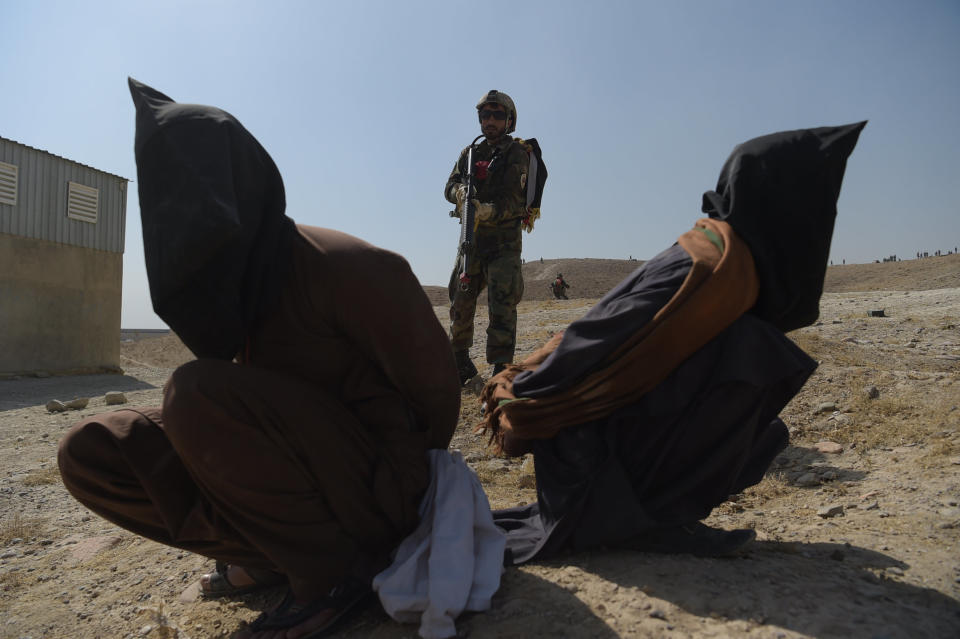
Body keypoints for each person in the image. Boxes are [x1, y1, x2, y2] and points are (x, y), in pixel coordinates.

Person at [57, 79, 461, 639]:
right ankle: (277, 554)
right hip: (305, 482)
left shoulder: (344, 267)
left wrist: (400, 499)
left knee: (193, 394)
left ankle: (330, 574)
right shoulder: (235, 292)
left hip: (382, 486)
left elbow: (437, 398)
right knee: (96, 447)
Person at [481, 121, 866, 564]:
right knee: (754, 350)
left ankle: (654, 512)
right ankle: (636, 519)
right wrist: (519, 396)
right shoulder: (707, 264)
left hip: (601, 448)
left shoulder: (731, 264)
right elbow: (599, 333)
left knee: (764, 427)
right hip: (583, 464)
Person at [445, 90, 535, 384]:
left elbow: (515, 203)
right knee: (460, 301)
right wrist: (458, 193)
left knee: (502, 305)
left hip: (503, 245)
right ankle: (459, 363)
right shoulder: (470, 154)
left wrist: (486, 210)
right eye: (485, 115)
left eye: (497, 115)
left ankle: (500, 369)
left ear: (509, 121)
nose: (490, 121)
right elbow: (448, 186)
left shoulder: (517, 153)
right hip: (471, 241)